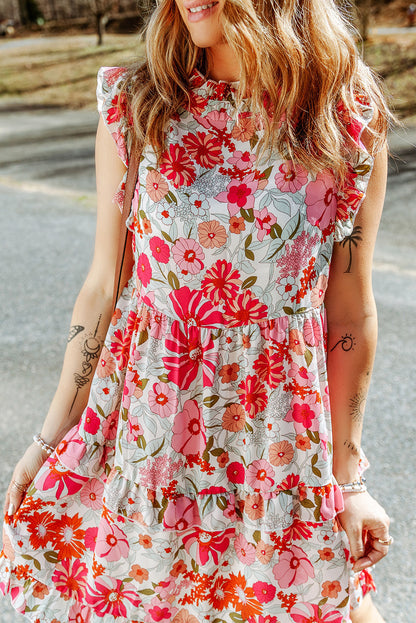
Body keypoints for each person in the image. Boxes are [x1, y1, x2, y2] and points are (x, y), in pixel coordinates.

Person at [0, 0, 393, 621]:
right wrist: (47, 441)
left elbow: (349, 313)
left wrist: (349, 481)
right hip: (152, 438)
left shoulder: (341, 117)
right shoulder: (137, 105)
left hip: (281, 448)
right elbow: (105, 286)